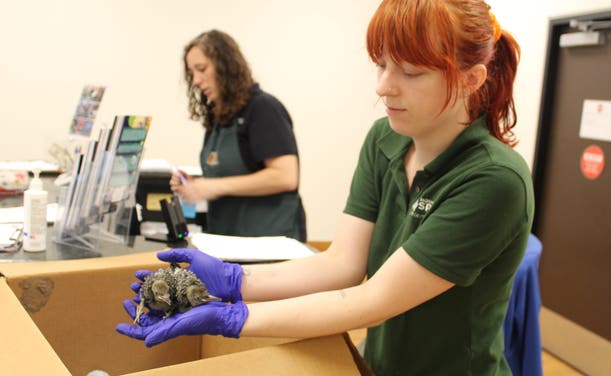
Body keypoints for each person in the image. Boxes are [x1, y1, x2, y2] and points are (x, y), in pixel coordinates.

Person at [118, 1, 534, 374]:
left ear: (471, 78)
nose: (383, 86)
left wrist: (234, 317)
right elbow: (342, 266)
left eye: (410, 72)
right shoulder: (385, 139)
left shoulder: (494, 180)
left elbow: (371, 301)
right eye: (381, 65)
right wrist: (235, 280)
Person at [171, 30, 306, 242]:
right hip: (229, 243)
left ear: (226, 67)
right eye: (192, 73)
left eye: (202, 69)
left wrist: (212, 186)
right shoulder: (218, 118)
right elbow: (230, 177)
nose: (196, 80)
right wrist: (196, 185)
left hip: (269, 246)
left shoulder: (263, 108)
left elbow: (285, 177)